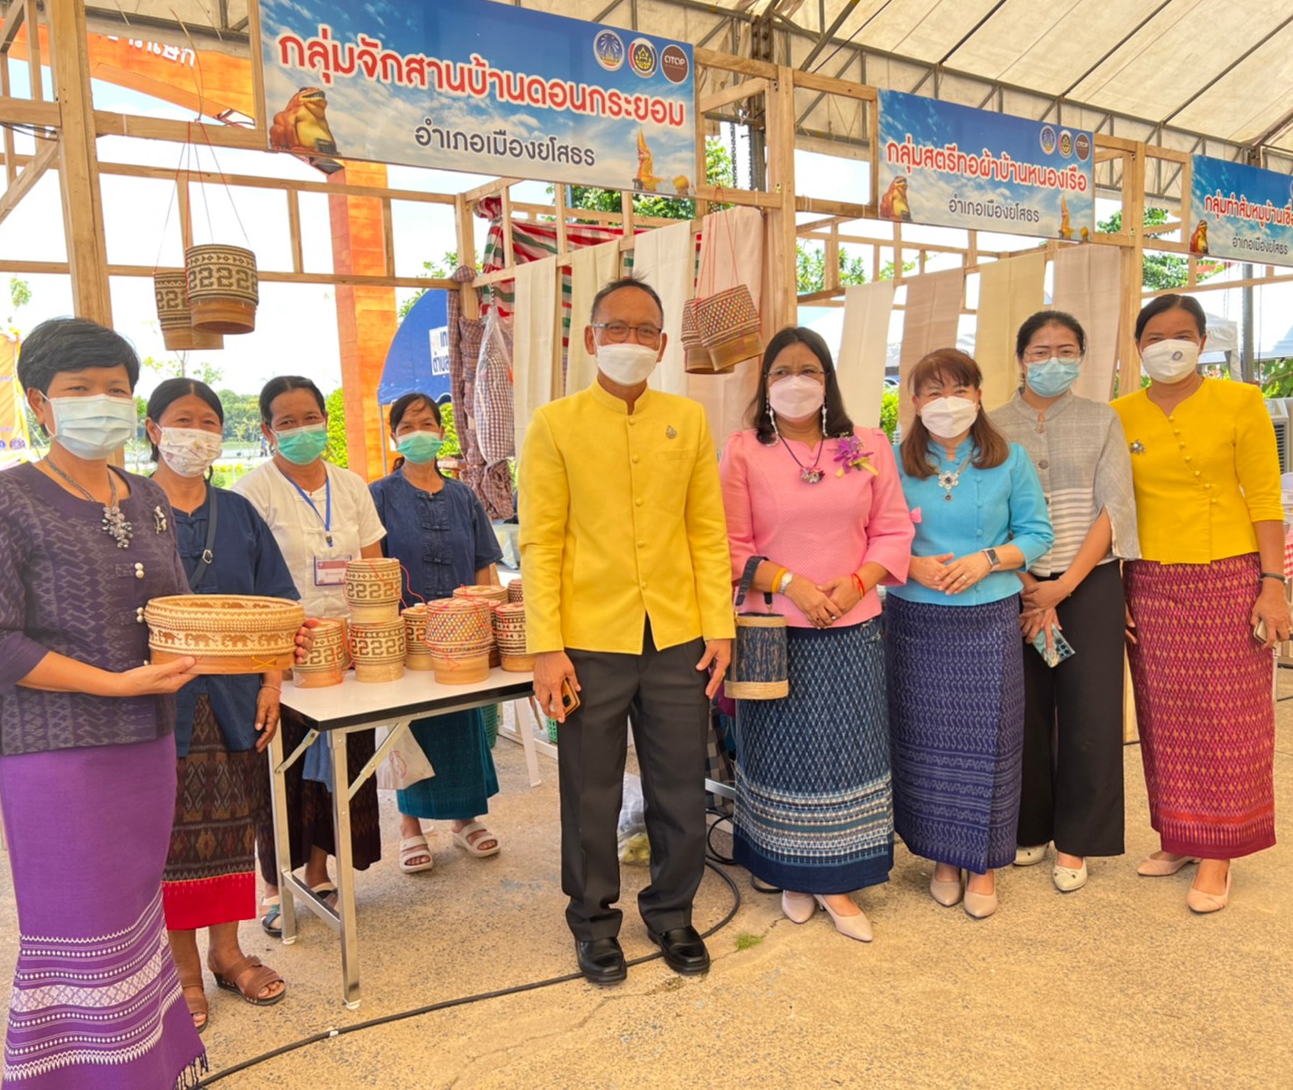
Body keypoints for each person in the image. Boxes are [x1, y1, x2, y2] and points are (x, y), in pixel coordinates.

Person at [0, 318, 209, 1087]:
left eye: (116, 389)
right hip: (55, 753)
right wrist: (113, 683)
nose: (102, 402)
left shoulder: (148, 498)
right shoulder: (1, 501)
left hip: (147, 741)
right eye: (79, 390)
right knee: (77, 925)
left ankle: (144, 1066)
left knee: (133, 914)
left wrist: (248, 648)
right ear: (39, 402)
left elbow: (177, 610)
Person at [520, 276, 734, 985]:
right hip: (589, 640)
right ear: (590, 339)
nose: (631, 342)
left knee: (679, 784)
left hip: (675, 636)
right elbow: (540, 542)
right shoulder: (555, 424)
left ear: (665, 344)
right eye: (617, 329)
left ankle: (673, 913)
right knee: (590, 789)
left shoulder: (689, 420)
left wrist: (719, 628)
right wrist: (545, 647)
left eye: (646, 331)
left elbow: (707, 532)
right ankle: (593, 922)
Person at [718, 327, 912, 942]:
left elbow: (892, 530)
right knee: (782, 755)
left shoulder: (867, 444)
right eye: (781, 372)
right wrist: (794, 584)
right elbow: (729, 543)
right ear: (765, 383)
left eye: (808, 370)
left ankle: (833, 878)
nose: (794, 382)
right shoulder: (745, 450)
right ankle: (794, 874)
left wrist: (857, 584)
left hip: (853, 624)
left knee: (844, 752)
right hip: (775, 629)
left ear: (826, 380)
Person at [1113, 293, 1287, 914]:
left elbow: (1266, 497)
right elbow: (1115, 509)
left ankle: (1221, 851)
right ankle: (1180, 836)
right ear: (1138, 347)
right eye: (1155, 336)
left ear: (1203, 342)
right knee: (1164, 715)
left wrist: (1274, 582)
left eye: (1182, 334)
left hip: (1229, 575)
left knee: (1228, 715)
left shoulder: (1241, 401)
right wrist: (1114, 589)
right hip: (1151, 580)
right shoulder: (1121, 413)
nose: (1168, 345)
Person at [146, 378, 295, 1032]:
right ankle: (179, 970)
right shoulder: (125, 508)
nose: (197, 431)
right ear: (152, 430)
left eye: (209, 419)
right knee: (171, 842)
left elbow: (277, 601)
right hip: (158, 705)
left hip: (234, 702)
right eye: (183, 419)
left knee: (233, 829)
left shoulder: (237, 512)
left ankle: (229, 953)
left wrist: (271, 683)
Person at [884, 349, 1053, 920]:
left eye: (958, 389)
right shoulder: (892, 461)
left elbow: (1037, 534)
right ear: (914, 402)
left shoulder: (1011, 460)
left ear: (979, 395)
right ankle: (942, 859)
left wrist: (989, 559)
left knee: (991, 742)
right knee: (925, 743)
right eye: (932, 392)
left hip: (987, 618)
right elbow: (872, 533)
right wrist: (908, 564)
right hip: (915, 619)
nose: (946, 403)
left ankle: (982, 863)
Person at [989, 312, 1139, 892]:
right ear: (1021, 356)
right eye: (1041, 350)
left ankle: (1079, 840)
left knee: (1091, 714)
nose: (1053, 360)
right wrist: (1031, 585)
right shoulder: (993, 425)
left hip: (1089, 581)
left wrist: (1063, 586)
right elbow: (988, 512)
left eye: (1066, 349)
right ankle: (1029, 827)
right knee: (1022, 711)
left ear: (1083, 355)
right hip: (1012, 585)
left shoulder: (1103, 419)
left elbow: (1115, 508)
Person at [233, 376, 387, 933]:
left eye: (311, 417)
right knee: (281, 769)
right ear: (268, 430)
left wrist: (371, 641)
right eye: (288, 421)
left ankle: (319, 870)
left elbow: (374, 569)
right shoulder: (252, 492)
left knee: (341, 763)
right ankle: (276, 885)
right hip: (283, 654)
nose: (302, 430)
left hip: (348, 654)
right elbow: (246, 581)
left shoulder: (351, 487)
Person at [370, 392, 504, 873]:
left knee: (462, 722)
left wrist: (490, 623)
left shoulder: (464, 495)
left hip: (464, 634)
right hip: (406, 634)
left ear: (442, 432)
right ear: (396, 436)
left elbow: (486, 562)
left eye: (428, 422)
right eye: (409, 424)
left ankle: (464, 818)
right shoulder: (379, 494)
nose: (420, 431)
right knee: (410, 724)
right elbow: (370, 565)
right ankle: (410, 826)